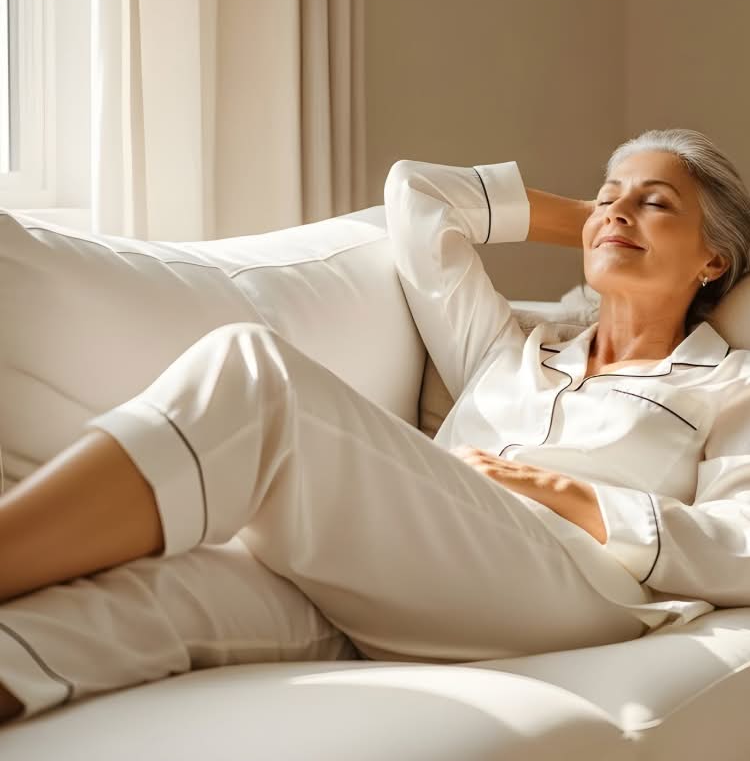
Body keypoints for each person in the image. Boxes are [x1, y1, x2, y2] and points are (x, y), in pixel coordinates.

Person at [2, 128, 750, 726]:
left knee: (256, 373)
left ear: (713, 258)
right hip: (428, 569)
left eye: (655, 203)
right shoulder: (510, 347)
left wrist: (570, 496)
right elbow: (419, 194)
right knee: (143, 598)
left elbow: (741, 543)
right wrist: (594, 223)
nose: (616, 211)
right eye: (606, 197)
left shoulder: (728, 381)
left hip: (577, 591)